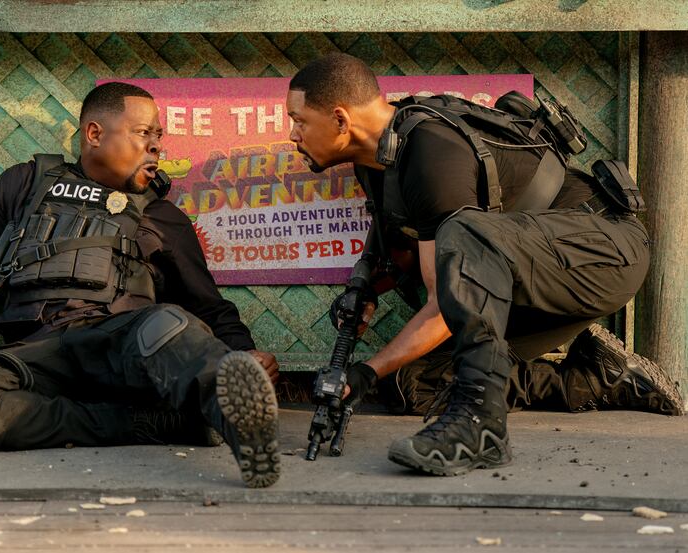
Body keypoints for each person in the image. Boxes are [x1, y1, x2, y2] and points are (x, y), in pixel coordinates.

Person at [286, 53, 683, 476]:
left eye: (300, 120)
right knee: (415, 385)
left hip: (603, 252)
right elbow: (408, 255)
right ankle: (601, 378)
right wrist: (365, 292)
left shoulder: (429, 151)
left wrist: (365, 371)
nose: (292, 134)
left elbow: (446, 298)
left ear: (341, 120)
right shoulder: (378, 160)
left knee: (465, 233)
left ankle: (480, 429)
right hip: (533, 276)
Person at [0, 82, 281, 488]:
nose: (156, 148)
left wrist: (244, 355)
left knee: (165, 324)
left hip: (120, 351)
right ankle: (152, 425)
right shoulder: (26, 183)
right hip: (36, 355)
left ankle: (240, 421)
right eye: (143, 133)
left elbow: (209, 307)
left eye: (158, 136)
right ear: (94, 134)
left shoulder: (162, 217)